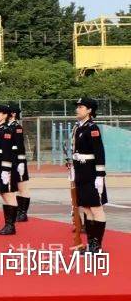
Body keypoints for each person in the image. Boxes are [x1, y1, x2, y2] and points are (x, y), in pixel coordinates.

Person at [71, 98, 108, 253]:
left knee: (96, 208)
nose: (77, 109)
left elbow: (99, 152)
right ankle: (91, 243)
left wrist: (100, 175)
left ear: (89, 110)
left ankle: (97, 245)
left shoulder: (92, 128)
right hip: (81, 172)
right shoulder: (79, 128)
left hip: (92, 173)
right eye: (78, 107)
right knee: (86, 208)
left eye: (81, 107)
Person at [0, 105, 19, 235]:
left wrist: (6, 169)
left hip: (4, 166)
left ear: (5, 115)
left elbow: (7, 151)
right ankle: (7, 224)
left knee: (8, 193)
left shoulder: (6, 130)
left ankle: (10, 226)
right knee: (2, 192)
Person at [8, 105, 32, 222]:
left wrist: (21, 161)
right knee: (16, 187)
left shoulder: (17, 127)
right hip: (11, 160)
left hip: (18, 160)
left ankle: (23, 212)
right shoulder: (7, 126)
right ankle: (18, 210)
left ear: (13, 114)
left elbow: (20, 146)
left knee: (23, 187)